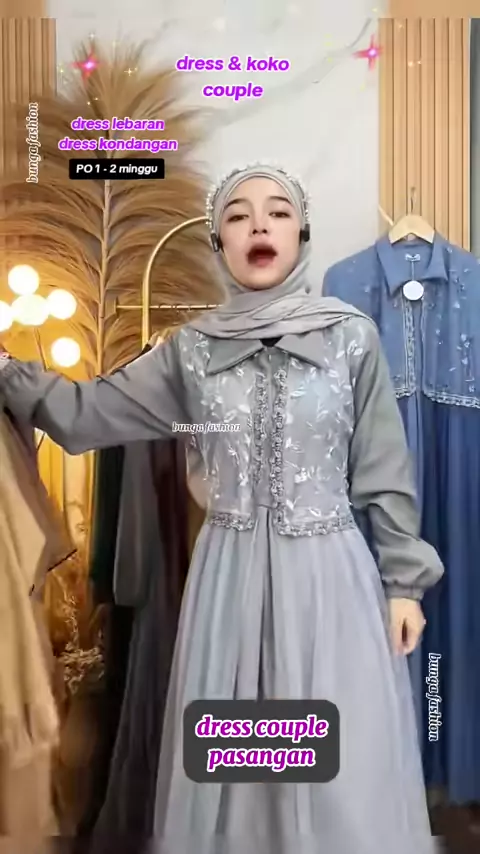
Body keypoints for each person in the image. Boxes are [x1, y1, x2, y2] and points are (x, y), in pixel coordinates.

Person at [0, 164, 443, 854]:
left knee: (338, 766)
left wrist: (403, 584)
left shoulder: (351, 337)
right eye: (238, 215)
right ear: (218, 242)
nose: (258, 224)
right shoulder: (191, 351)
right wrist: (8, 370)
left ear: (301, 235)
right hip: (229, 585)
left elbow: (383, 465)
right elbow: (87, 415)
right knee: (236, 758)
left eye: (277, 212)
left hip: (329, 583)